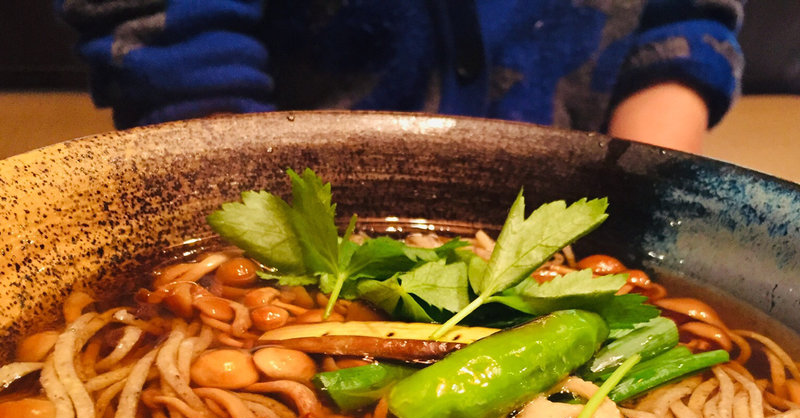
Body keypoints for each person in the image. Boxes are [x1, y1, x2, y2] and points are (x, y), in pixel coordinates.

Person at [56, 0, 745, 154]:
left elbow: (685, 20)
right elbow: (166, 23)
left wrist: (635, 206)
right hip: (275, 167)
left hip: (584, 171)